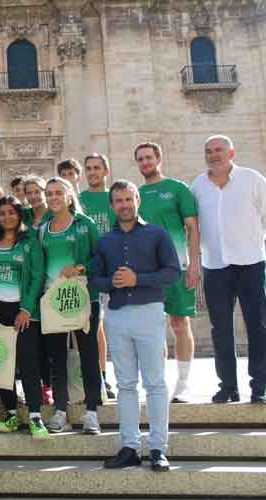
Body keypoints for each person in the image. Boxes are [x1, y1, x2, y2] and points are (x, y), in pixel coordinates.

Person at [91, 180, 179, 472]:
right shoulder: (104, 241)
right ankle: (129, 447)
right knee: (126, 384)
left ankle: (158, 448)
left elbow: (172, 272)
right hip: (117, 315)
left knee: (155, 382)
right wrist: (113, 282)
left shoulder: (157, 234)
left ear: (137, 200)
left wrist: (137, 279)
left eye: (128, 198)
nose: (124, 204)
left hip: (149, 313)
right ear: (112, 205)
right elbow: (95, 279)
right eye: (118, 200)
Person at [191, 135, 266, 405]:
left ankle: (261, 387)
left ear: (231, 152)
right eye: (208, 151)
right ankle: (228, 387)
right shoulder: (198, 185)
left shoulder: (253, 180)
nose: (213, 155)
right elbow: (194, 228)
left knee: (258, 327)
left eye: (219, 150)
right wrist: (195, 263)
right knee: (220, 329)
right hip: (215, 266)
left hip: (251, 263)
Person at [0, 195, 49, 440]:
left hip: (22, 311)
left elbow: (37, 277)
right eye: (2, 213)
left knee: (28, 363)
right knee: (1, 363)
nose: (7, 217)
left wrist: (27, 309)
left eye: (11, 212)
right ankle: (10, 414)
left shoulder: (30, 243)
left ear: (19, 215)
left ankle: (34, 416)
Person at [136, 142, 200, 403]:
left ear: (158, 158)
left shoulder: (177, 189)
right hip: (146, 272)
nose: (145, 163)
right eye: (140, 159)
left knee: (179, 323)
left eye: (148, 158)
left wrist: (194, 263)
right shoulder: (136, 194)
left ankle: (183, 383)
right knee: (152, 327)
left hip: (177, 266)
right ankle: (157, 383)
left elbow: (193, 229)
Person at [40, 177, 101, 434]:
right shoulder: (43, 228)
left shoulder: (84, 224)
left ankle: (91, 411)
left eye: (58, 193)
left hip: (83, 297)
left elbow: (100, 257)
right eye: (49, 193)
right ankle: (61, 410)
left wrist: (80, 267)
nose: (53, 197)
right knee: (57, 357)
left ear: (68, 195)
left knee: (88, 353)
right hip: (54, 301)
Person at [78, 153, 117, 400]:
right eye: (88, 168)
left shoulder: (116, 197)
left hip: (114, 271)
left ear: (106, 171)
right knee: (95, 327)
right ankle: (100, 376)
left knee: (116, 326)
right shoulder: (78, 200)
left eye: (96, 168)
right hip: (89, 273)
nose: (92, 172)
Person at [21, 175, 53, 405]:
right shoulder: (24, 216)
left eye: (37, 191)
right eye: (29, 192)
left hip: (52, 281)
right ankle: (35, 386)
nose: (33, 196)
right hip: (31, 284)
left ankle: (49, 385)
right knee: (32, 340)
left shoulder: (54, 215)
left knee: (51, 339)